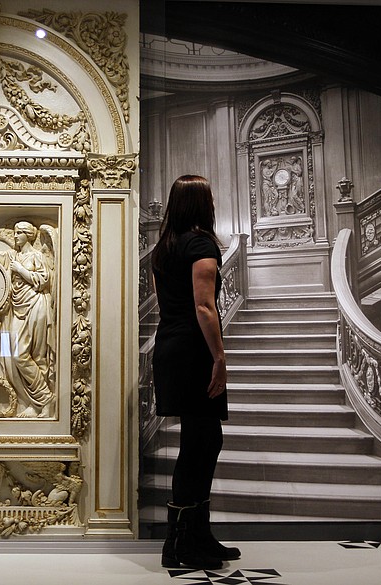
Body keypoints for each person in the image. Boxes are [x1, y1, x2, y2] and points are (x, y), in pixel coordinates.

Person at [151, 175, 241, 569]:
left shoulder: (163, 250)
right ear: (202, 204)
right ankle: (181, 543)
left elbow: (163, 302)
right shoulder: (202, 245)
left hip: (171, 346)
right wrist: (220, 357)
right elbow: (204, 307)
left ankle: (196, 536)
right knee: (200, 444)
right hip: (194, 350)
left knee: (203, 441)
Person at [0, 221, 55, 417]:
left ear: (29, 235)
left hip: (36, 305)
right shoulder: (15, 256)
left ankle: (42, 403)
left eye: (20, 232)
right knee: (13, 354)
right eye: (15, 232)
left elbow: (44, 280)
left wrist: (20, 270)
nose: (16, 236)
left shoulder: (36, 255)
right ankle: (40, 398)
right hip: (17, 307)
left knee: (36, 356)